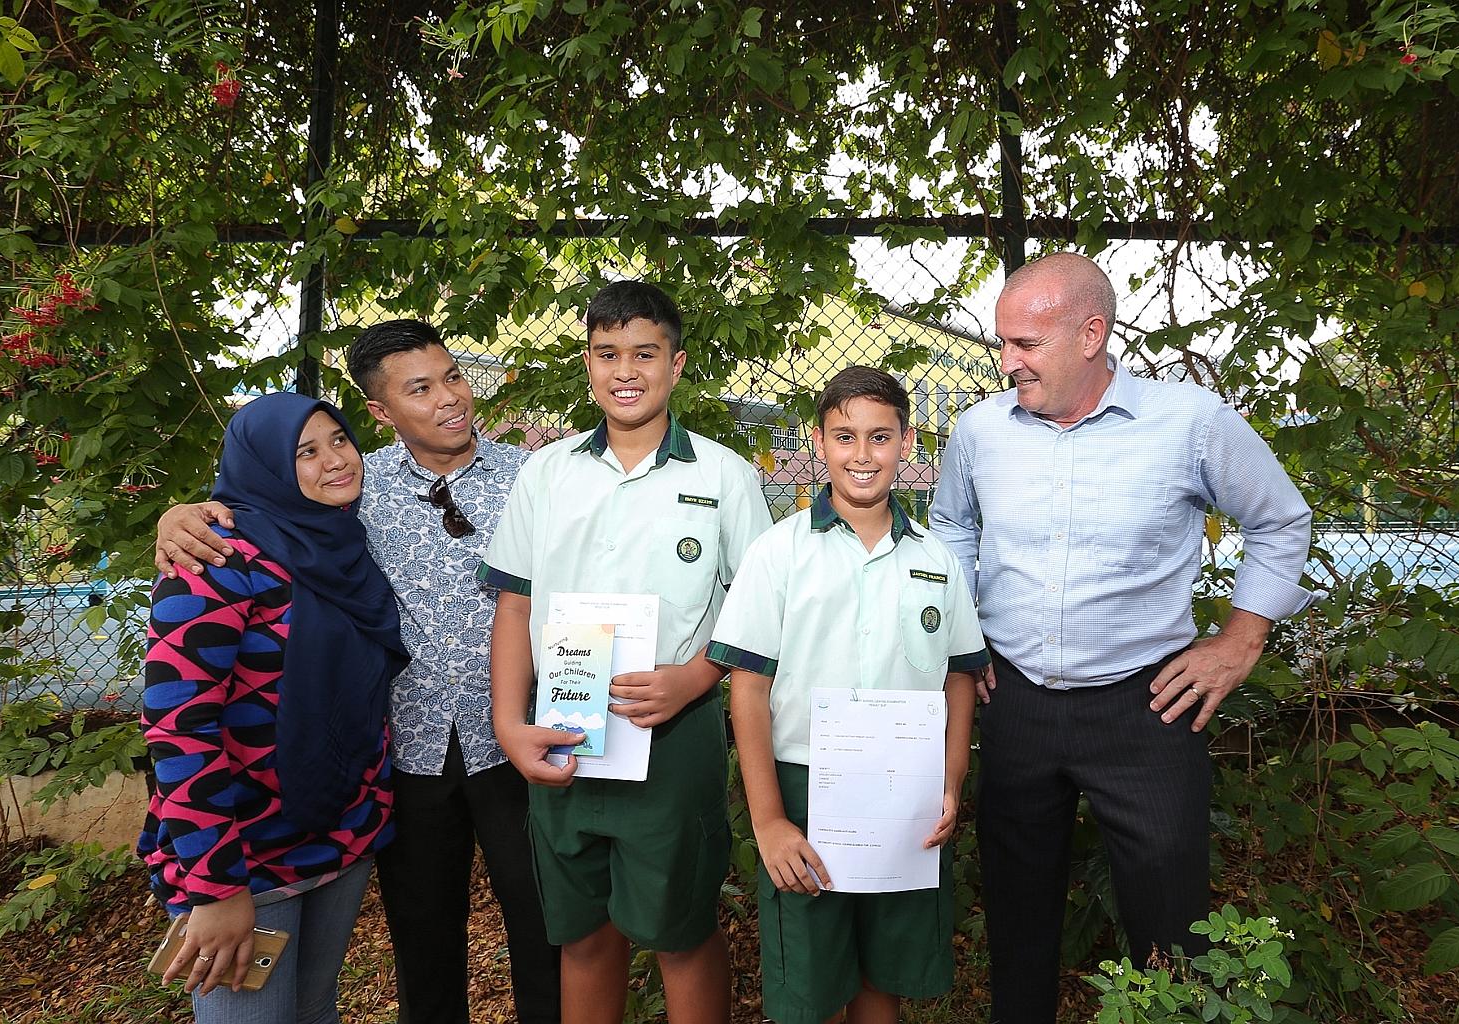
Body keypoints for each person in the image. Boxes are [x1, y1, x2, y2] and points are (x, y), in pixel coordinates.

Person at [929, 252, 1318, 1024]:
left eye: (1025, 346)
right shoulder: (980, 432)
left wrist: (1240, 641)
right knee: (1017, 913)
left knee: (1170, 921)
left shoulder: (1191, 423)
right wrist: (963, 643)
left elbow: (1280, 520)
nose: (1007, 363)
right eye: (1002, 343)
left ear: (1090, 335)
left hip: (1148, 708)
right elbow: (953, 529)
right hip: (1016, 703)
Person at [152, 321, 561, 1024]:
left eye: (454, 377)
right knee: (423, 944)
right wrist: (175, 516)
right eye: (421, 389)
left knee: (544, 931)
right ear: (380, 410)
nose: (450, 399)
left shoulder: (539, 480)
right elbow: (258, 504)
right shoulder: (351, 487)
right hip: (405, 753)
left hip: (515, 743)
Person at [478, 280, 772, 1024]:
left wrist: (698, 675)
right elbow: (514, 604)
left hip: (673, 737)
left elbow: (759, 611)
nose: (626, 370)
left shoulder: (724, 476)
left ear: (677, 365)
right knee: (582, 934)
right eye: (607, 353)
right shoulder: (545, 474)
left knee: (682, 934)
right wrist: (509, 723)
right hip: (565, 731)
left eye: (645, 352)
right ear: (588, 364)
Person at [707, 366, 988, 1024]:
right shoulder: (779, 553)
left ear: (907, 441)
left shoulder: (936, 559)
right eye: (845, 437)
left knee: (882, 971)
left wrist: (950, 781)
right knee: (808, 980)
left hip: (906, 790)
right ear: (819, 442)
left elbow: (958, 675)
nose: (863, 455)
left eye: (880, 437)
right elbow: (748, 687)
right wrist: (771, 820)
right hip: (805, 785)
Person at [139, 392, 409, 1024]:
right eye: (304, 452)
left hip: (339, 834)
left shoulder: (342, 544)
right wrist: (217, 887)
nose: (334, 461)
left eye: (339, 440)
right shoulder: (214, 561)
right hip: (243, 852)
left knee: (315, 1010)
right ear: (263, 466)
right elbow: (178, 728)